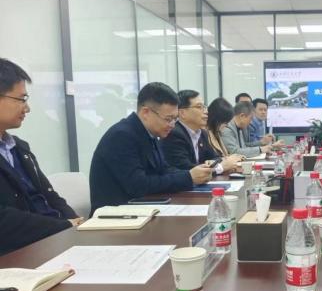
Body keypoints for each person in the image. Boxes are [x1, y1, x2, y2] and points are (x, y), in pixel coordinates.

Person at [89, 82, 213, 212]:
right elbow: (138, 185)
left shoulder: (149, 133)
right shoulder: (122, 135)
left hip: (142, 207)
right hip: (115, 214)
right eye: (168, 119)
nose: (172, 125)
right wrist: (188, 178)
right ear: (146, 112)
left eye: (175, 119)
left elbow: (164, 170)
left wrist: (193, 174)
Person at [0, 58, 81, 255]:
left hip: (53, 241)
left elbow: (50, 196)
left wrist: (78, 224)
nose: (27, 108)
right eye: (21, 99)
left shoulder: (19, 148)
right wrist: (64, 226)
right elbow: (5, 221)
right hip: (21, 252)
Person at [161, 90, 241, 173]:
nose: (206, 111)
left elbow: (215, 158)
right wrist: (221, 167)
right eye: (199, 107)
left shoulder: (202, 133)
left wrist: (213, 163)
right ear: (182, 113)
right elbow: (186, 170)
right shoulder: (173, 134)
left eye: (205, 107)